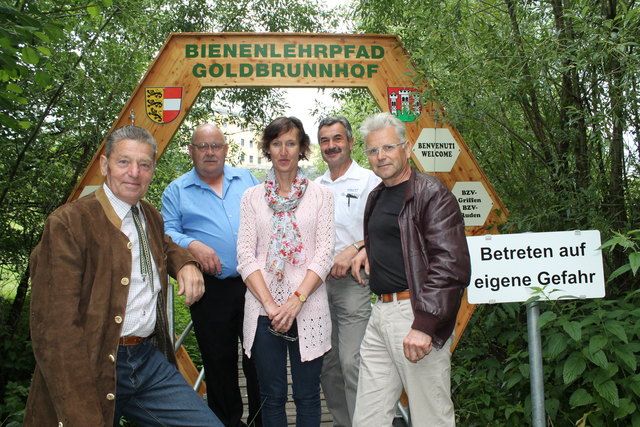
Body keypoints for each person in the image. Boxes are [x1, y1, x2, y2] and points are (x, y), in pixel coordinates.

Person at [24, 125, 223, 427]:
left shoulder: (148, 215)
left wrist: (186, 263)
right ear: (104, 166)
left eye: (144, 164)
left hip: (146, 361)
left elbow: (165, 246)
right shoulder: (69, 224)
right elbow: (54, 331)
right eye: (124, 162)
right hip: (92, 363)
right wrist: (79, 411)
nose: (134, 172)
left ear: (153, 170)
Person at [351, 113, 471, 426]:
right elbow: (399, 240)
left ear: (407, 147)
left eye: (388, 148)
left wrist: (425, 324)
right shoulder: (377, 195)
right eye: (373, 151)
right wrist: (366, 251)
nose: (381, 156)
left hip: (415, 313)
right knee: (368, 418)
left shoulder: (431, 193)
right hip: (380, 314)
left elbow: (450, 264)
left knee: (431, 417)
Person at [162, 123, 261, 427]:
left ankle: (264, 420)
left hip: (254, 284)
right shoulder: (176, 190)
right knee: (218, 363)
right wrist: (191, 244)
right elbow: (165, 232)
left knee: (259, 358)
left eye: (215, 146)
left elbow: (270, 215)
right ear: (191, 150)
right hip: (210, 289)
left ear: (225, 149)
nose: (209, 152)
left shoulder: (247, 179)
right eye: (202, 146)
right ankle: (228, 423)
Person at [237, 117, 334, 427]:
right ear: (267, 148)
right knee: (271, 395)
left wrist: (295, 301)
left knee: (307, 395)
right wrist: (270, 305)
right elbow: (245, 255)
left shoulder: (321, 196)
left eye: (290, 143)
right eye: (276, 143)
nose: (283, 150)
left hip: (308, 304)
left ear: (302, 148)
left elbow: (323, 253)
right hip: (263, 307)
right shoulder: (251, 198)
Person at [314, 116, 380, 427]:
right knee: (328, 365)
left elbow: (387, 228)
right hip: (318, 286)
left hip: (354, 283)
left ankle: (366, 422)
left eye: (337, 139)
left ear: (351, 143)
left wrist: (356, 247)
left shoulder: (370, 182)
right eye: (325, 140)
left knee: (353, 360)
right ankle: (344, 422)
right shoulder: (315, 187)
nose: (331, 146)